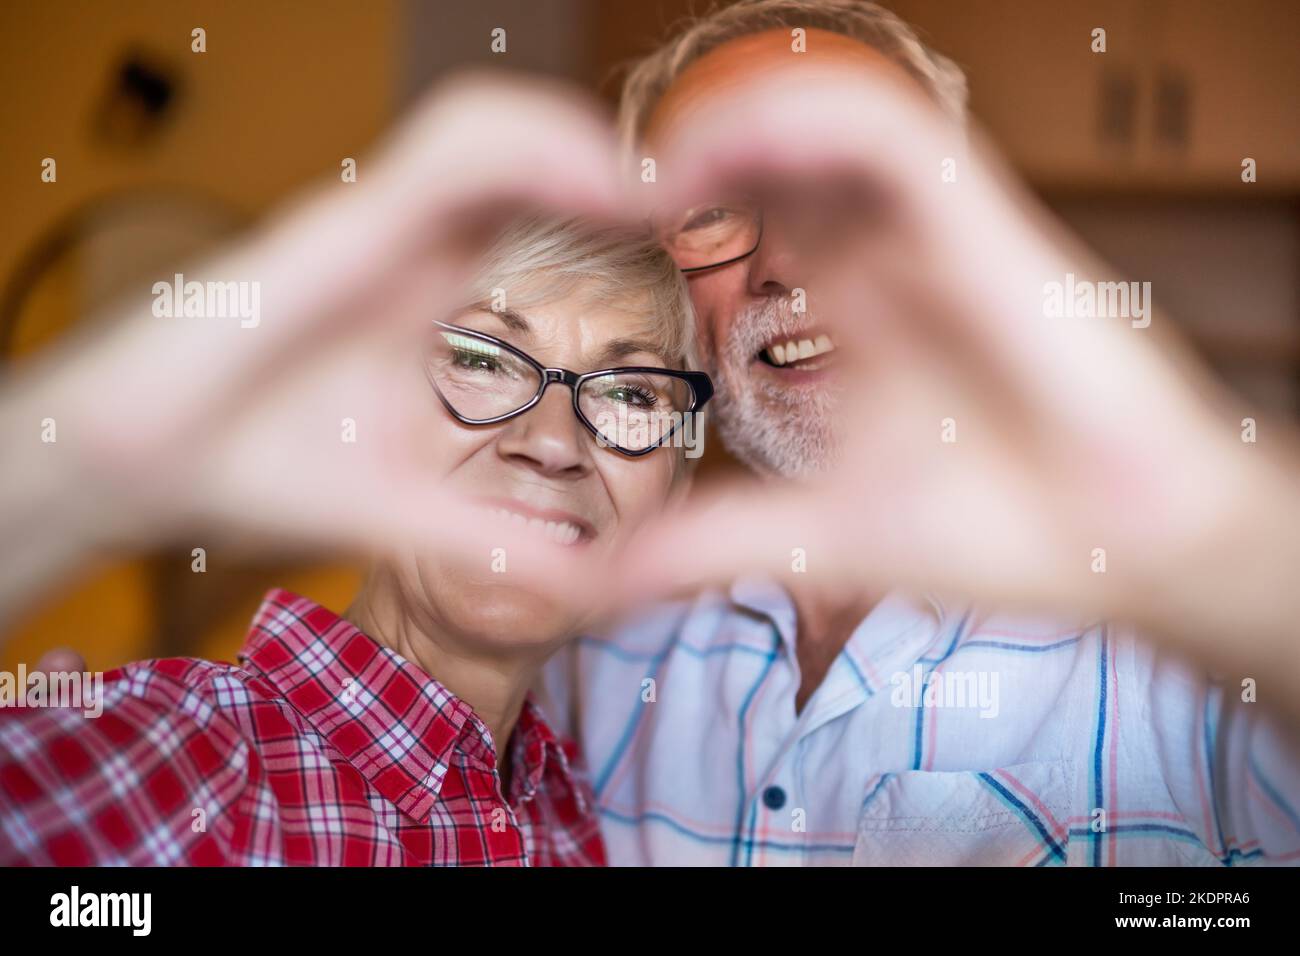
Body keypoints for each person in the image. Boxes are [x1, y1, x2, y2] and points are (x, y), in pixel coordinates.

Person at [534, 0, 1300, 865]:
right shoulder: (593, 644)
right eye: (711, 205)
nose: (783, 261)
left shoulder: (1193, 638)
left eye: (851, 189)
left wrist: (1229, 547)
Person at [0, 215, 712, 865]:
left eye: (632, 393)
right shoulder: (179, 759)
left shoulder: (574, 823)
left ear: (672, 485)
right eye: (481, 358)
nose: (555, 442)